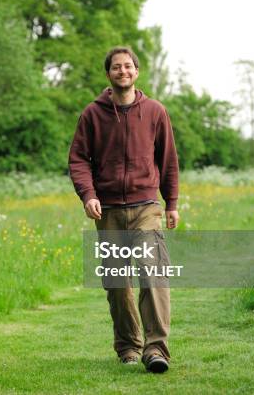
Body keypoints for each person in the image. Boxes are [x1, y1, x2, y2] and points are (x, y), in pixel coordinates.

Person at [68, 46, 180, 373]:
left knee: (152, 271)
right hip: (108, 211)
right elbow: (78, 160)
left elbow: (168, 162)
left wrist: (171, 203)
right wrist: (88, 195)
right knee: (117, 283)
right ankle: (129, 346)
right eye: (116, 67)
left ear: (136, 72)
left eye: (128, 66)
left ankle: (156, 349)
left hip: (147, 205)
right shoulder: (92, 114)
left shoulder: (156, 112)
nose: (123, 71)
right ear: (108, 74)